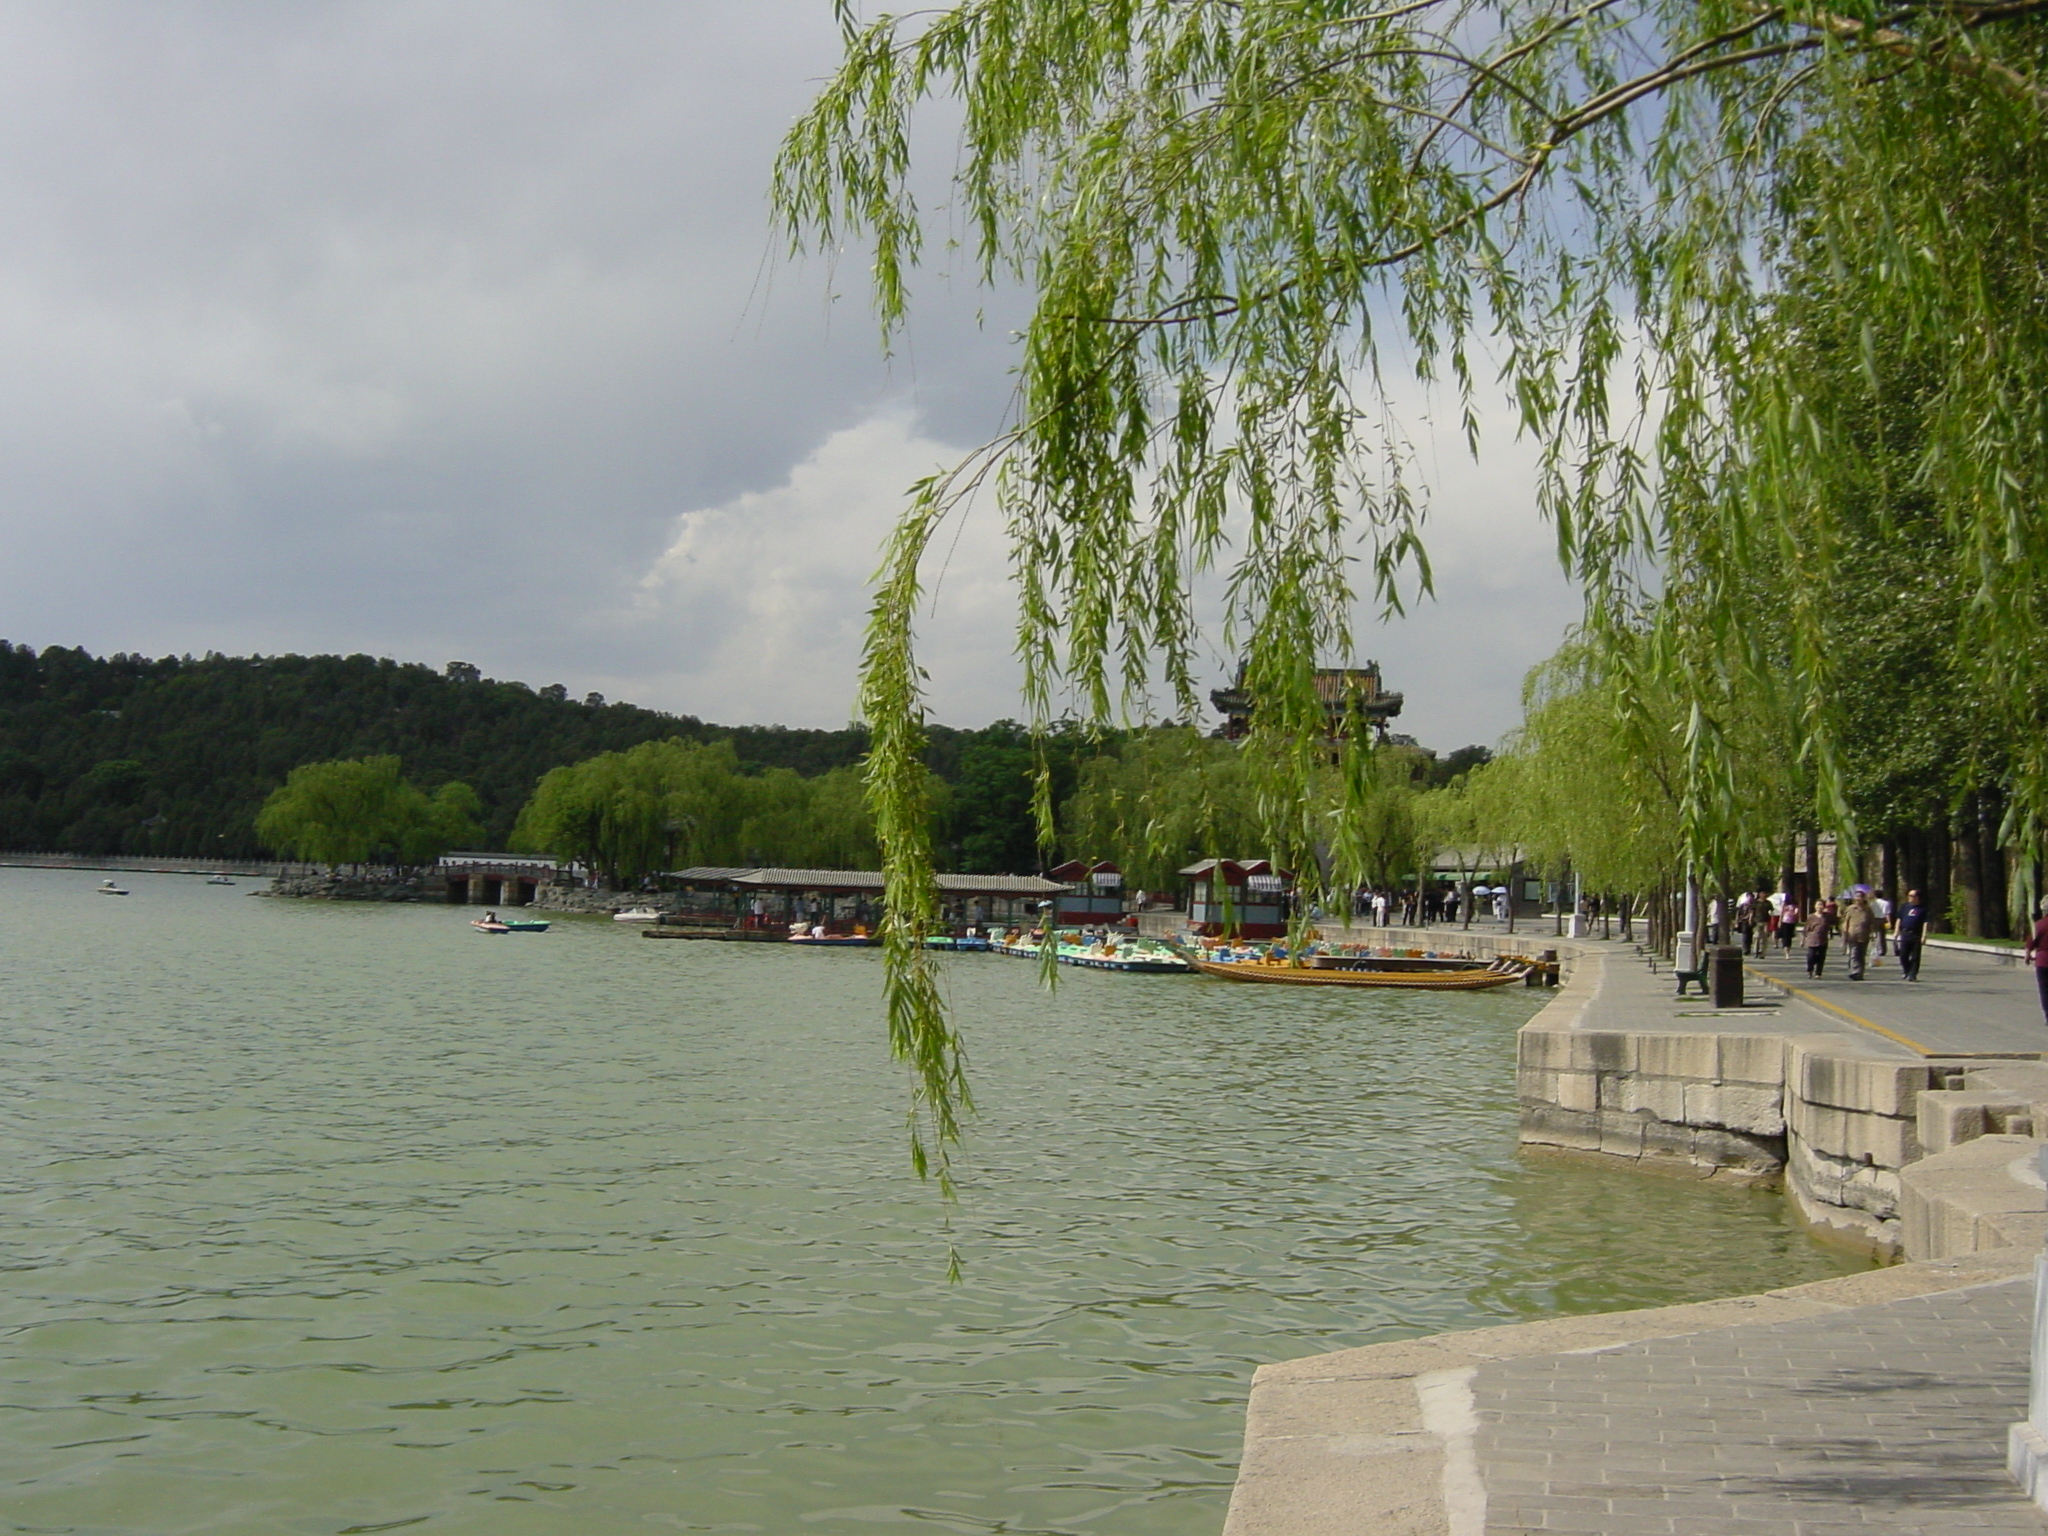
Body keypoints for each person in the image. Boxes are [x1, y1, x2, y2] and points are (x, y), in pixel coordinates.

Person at [1840, 893, 1878, 981]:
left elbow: (1872, 922)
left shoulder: (1868, 910)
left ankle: (1860, 973)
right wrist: (1845, 932)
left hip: (1864, 935)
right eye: (1857, 897)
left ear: (1863, 898)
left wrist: (1873, 933)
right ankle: (1854, 971)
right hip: (1852, 934)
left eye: (1860, 897)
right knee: (1854, 953)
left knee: (1861, 955)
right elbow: (1846, 921)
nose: (1858, 899)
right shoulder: (1850, 909)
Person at [1895, 888, 1929, 981]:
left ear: (1917, 897)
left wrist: (1924, 935)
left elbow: (1925, 922)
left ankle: (1912, 974)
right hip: (1905, 933)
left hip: (1916, 934)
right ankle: (1906, 970)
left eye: (1912, 896)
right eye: (1909, 895)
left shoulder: (1922, 909)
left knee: (1915, 956)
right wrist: (1896, 931)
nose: (1909, 898)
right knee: (1903, 955)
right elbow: (1899, 919)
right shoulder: (1905, 907)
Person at [2026, 898, 2048, 1027]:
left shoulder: (2039, 925)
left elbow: (2031, 942)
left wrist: (2027, 956)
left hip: (2043, 962)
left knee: (2045, 990)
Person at [1802, 902, 1834, 978]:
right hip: (1812, 939)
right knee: (1811, 956)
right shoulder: (1811, 917)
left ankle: (1818, 973)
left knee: (1821, 957)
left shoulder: (1827, 916)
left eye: (1821, 905)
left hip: (1823, 939)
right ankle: (1810, 970)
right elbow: (1806, 928)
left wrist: (1831, 934)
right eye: (1818, 905)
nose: (1820, 907)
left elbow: (1831, 926)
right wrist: (1803, 940)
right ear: (1815, 906)